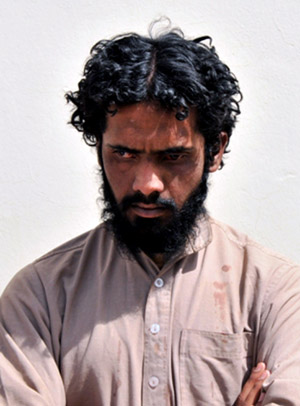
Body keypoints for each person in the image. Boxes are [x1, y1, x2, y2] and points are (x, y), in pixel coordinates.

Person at [0, 24, 299, 405]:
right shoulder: (39, 299)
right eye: (124, 154)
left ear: (216, 149)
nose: (146, 184)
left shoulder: (274, 292)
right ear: (99, 148)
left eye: (172, 155)